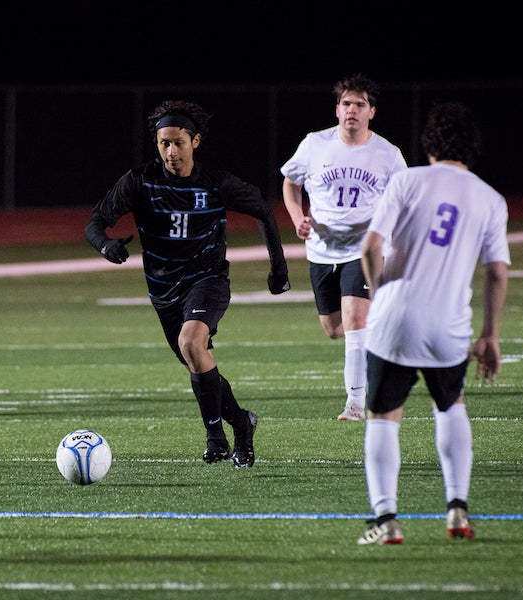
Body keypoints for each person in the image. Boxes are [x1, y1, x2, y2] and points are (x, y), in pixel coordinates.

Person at [84, 100, 290, 468]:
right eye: (164, 143)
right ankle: (242, 424)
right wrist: (106, 245)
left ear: (195, 141)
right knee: (198, 360)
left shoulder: (215, 184)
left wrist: (279, 270)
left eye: (178, 142)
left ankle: (216, 439)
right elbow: (95, 223)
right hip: (163, 293)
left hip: (208, 280)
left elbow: (262, 209)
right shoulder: (139, 181)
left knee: (190, 342)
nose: (170, 151)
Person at [356, 101, 510, 545]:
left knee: (383, 416)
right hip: (450, 326)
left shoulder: (406, 181)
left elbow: (370, 248)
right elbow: (497, 271)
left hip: (395, 320)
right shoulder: (490, 198)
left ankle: (385, 518)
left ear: (429, 145)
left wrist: (381, 293)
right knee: (451, 403)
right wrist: (491, 334)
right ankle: (458, 510)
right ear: (472, 149)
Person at [281, 73, 407, 421]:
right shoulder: (313, 144)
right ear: (337, 110)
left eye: (360, 104)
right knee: (335, 329)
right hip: (321, 251)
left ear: (372, 112)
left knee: (354, 317)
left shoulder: (387, 154)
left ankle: (355, 403)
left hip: (363, 250)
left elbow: (403, 199)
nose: (352, 110)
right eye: (347, 103)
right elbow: (290, 183)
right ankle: (376, 329)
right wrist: (297, 217)